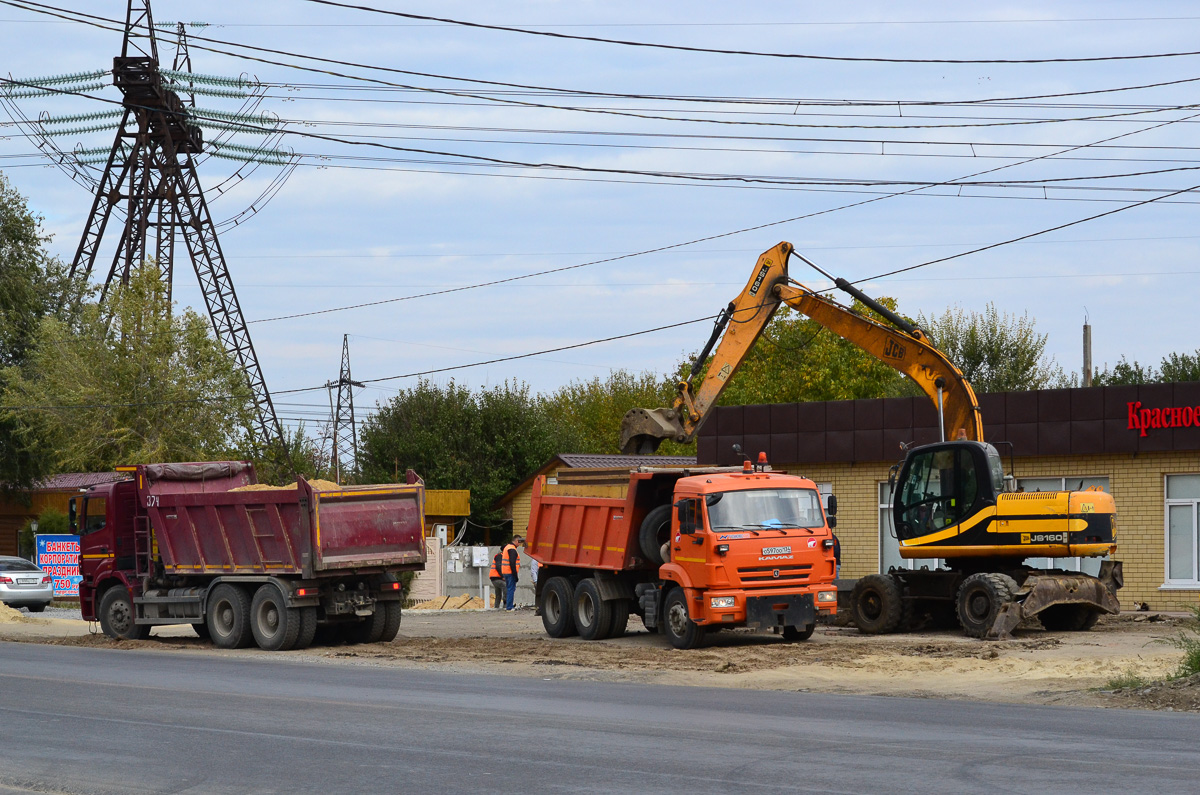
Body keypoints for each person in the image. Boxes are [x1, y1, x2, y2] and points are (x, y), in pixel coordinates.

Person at [501, 536, 522, 611]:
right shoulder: (512, 549)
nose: (519, 544)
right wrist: (515, 575)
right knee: (511, 589)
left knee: (509, 588)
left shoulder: (507, 547)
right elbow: (512, 562)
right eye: (519, 542)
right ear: (516, 541)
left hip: (505, 572)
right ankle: (509, 607)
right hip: (510, 572)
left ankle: (508, 606)